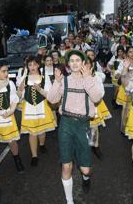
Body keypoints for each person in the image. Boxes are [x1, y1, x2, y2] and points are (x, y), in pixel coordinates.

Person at [47, 50, 104, 204]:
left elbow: (97, 97)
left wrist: (87, 78)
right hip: (65, 123)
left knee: (86, 168)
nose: (74, 63)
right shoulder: (63, 80)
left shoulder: (93, 79)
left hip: (87, 125)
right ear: (68, 64)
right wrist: (56, 82)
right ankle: (69, 200)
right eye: (71, 60)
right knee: (66, 165)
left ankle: (86, 177)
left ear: (83, 63)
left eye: (78, 60)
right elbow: (51, 99)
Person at [18, 56, 56, 166]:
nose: (32, 67)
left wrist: (40, 89)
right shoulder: (24, 78)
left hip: (41, 106)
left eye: (34, 64)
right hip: (29, 107)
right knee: (32, 132)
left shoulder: (44, 78)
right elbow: (19, 97)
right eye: (30, 65)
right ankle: (34, 156)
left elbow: (49, 94)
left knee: (42, 131)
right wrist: (20, 89)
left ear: (38, 65)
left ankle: (42, 144)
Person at [0, 62, 24, 173]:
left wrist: (11, 111)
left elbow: (14, 99)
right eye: (3, 71)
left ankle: (17, 159)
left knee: (12, 141)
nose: (6, 73)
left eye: (6, 71)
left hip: (7, 115)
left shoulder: (10, 84)